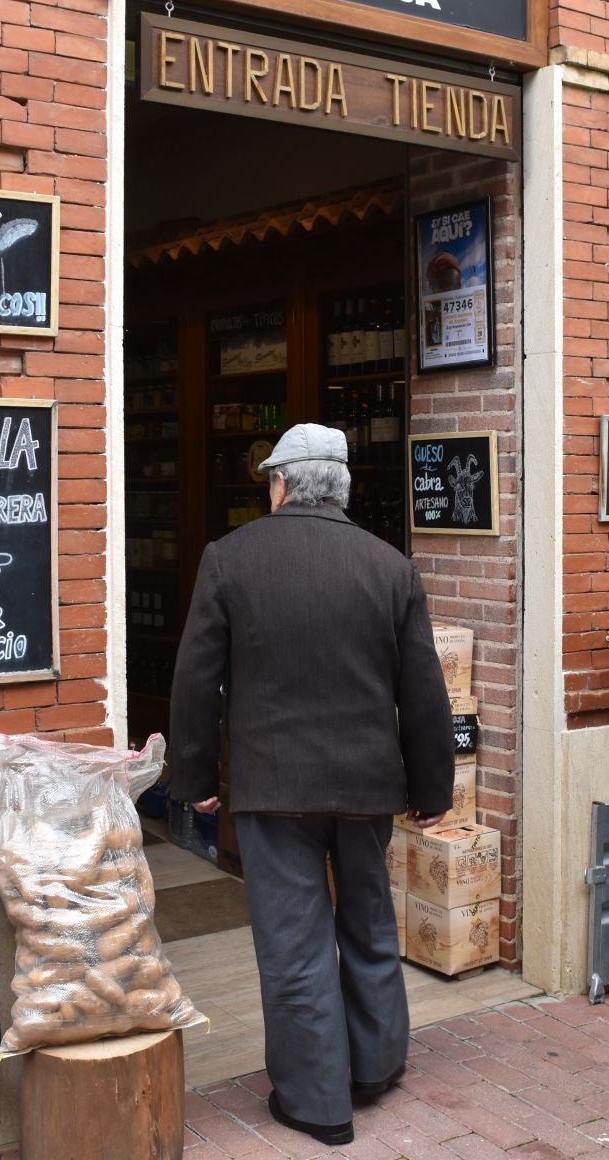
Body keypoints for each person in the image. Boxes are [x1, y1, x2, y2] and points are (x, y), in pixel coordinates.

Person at [168, 422, 456, 1147]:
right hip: (367, 787)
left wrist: (195, 778)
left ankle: (315, 1101)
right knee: (369, 925)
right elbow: (424, 693)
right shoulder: (391, 567)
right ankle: (376, 1067)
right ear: (344, 487)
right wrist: (433, 787)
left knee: (294, 944)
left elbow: (196, 680)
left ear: (282, 483)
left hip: (273, 789)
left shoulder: (229, 560)